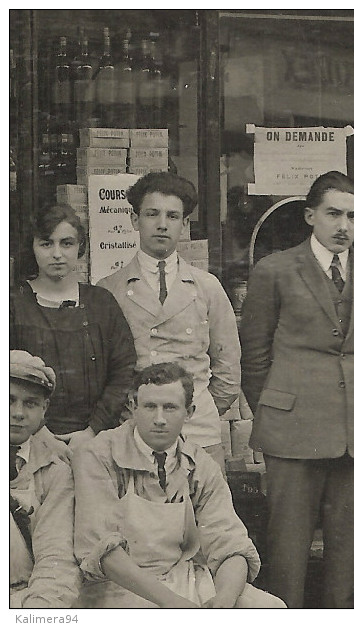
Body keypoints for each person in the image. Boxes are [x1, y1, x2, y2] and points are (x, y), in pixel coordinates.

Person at [239, 171, 354, 608]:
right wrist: (277, 409)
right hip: (292, 429)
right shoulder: (275, 270)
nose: (344, 226)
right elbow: (255, 356)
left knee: (348, 545)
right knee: (288, 543)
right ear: (310, 216)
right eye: (333, 214)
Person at [72, 362, 284, 608]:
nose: (159, 419)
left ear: (189, 412)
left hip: (181, 577)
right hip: (118, 586)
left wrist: (224, 601)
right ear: (133, 407)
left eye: (170, 408)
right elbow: (103, 552)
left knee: (270, 608)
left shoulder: (199, 465)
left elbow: (230, 544)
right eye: (150, 407)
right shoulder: (98, 455)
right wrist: (174, 604)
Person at [98, 172, 241, 471]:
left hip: (197, 428)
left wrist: (195, 408)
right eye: (152, 214)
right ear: (134, 221)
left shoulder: (207, 287)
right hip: (135, 427)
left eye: (173, 216)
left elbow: (228, 368)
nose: (162, 224)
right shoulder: (109, 289)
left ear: (185, 225)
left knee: (204, 512)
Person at [11, 204, 136, 449]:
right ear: (32, 248)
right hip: (28, 441)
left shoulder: (101, 302)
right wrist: (39, 433)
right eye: (46, 244)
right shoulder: (14, 304)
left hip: (96, 440)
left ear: (80, 247)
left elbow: (124, 370)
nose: (57, 253)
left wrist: (93, 430)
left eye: (66, 243)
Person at [9, 350, 80, 608]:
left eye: (30, 403)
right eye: (8, 400)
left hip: (24, 596)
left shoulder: (55, 472)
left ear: (44, 409)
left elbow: (56, 557)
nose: (17, 413)